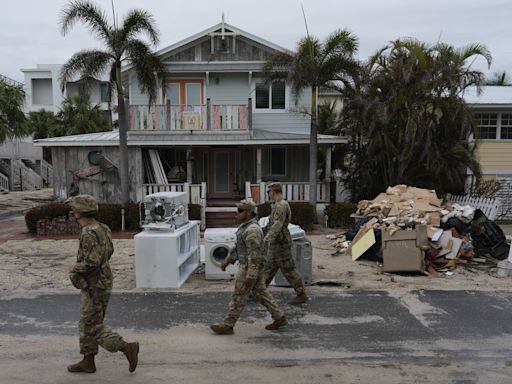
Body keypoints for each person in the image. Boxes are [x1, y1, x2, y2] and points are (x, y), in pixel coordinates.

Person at [65, 194, 139, 374]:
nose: (72, 211)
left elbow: (93, 261)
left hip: (94, 284)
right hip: (102, 280)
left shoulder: (88, 232)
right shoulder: (102, 228)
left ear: (81, 211)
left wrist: (75, 267)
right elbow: (109, 252)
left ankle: (126, 347)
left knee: (92, 326)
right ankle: (88, 361)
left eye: (74, 208)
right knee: (88, 322)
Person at [210, 199, 287, 335]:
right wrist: (228, 260)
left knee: (238, 296)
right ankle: (279, 317)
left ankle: (228, 325)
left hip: (249, 267)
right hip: (250, 266)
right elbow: (239, 248)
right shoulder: (245, 227)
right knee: (261, 294)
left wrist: (251, 275)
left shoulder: (252, 230)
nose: (237, 214)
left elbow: (254, 255)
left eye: (240, 211)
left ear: (249, 212)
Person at [263, 182, 309, 305]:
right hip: (276, 243)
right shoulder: (276, 205)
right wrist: (263, 233)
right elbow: (271, 223)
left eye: (269, 192)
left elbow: (277, 224)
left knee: (289, 270)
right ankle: (258, 292)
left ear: (274, 192)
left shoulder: (281, 206)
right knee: (268, 268)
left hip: (281, 243)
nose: (268, 194)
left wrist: (267, 238)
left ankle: (301, 294)